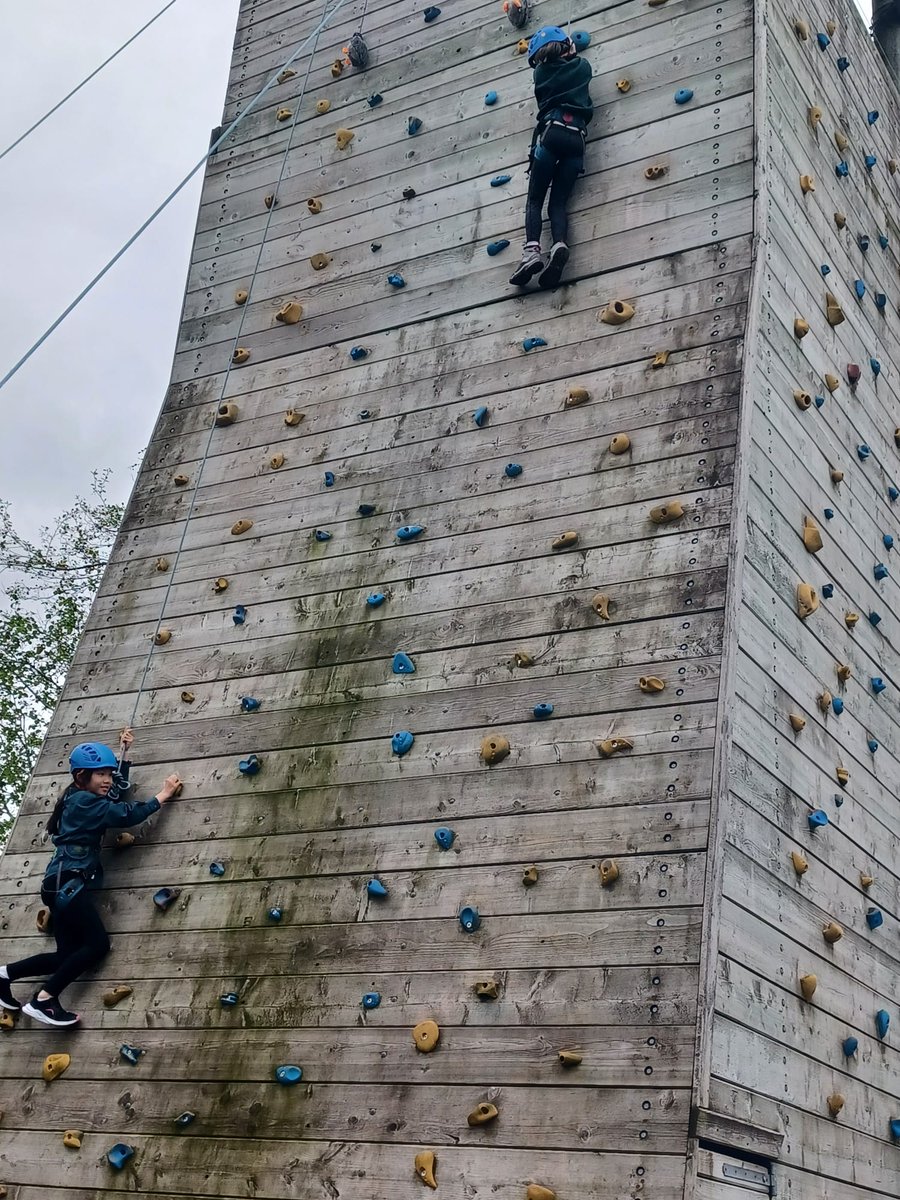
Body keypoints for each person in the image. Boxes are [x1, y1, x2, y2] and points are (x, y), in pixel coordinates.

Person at [0, 729, 181, 1027]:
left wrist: (122, 754)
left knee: (67, 956)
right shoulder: (85, 802)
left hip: (59, 884)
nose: (108, 779)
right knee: (97, 946)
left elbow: (111, 793)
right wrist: (163, 795)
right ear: (82, 775)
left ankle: (5, 975)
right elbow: (124, 814)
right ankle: (43, 1001)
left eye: (109, 773)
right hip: (68, 885)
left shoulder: (76, 797)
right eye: (101, 774)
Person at [509, 26, 594, 289]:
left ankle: (532, 251)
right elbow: (574, 59)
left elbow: (550, 68)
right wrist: (571, 46)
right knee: (558, 202)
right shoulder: (583, 67)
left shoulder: (541, 72)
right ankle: (558, 244)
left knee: (535, 199)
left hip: (551, 133)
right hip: (576, 139)